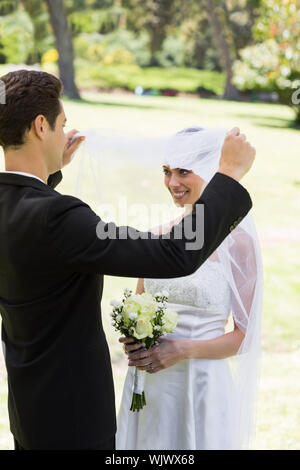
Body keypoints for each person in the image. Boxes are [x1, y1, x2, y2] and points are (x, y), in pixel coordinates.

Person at [0, 70, 254, 450]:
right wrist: (229, 175)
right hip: (74, 420)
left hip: (30, 411)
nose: (64, 132)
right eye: (62, 124)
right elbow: (172, 254)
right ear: (41, 126)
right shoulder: (59, 217)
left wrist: (49, 173)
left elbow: (29, 221)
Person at [117, 127, 263, 450]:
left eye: (184, 171)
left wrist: (182, 350)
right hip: (150, 384)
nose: (173, 183)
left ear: (213, 171)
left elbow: (244, 336)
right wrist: (132, 339)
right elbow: (136, 304)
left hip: (202, 385)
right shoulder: (156, 235)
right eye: (167, 172)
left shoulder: (239, 244)